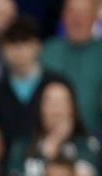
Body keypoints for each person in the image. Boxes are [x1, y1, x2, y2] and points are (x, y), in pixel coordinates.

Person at [0, 16, 67, 149]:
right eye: (12, 43)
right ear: (2, 49)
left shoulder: (56, 85)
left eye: (25, 42)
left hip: (51, 156)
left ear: (38, 46)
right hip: (6, 159)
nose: (18, 49)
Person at [7, 80, 101, 176]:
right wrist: (47, 151)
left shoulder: (88, 145)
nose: (56, 109)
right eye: (49, 102)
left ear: (73, 109)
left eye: (63, 102)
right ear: (39, 108)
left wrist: (55, 144)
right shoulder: (22, 146)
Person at [40, 0, 102, 136]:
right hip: (49, 135)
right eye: (71, 12)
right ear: (63, 16)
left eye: (84, 13)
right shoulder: (47, 51)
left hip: (95, 137)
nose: (77, 19)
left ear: (95, 17)